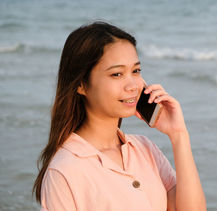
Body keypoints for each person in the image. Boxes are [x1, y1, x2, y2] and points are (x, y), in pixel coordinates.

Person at [32, 21, 206, 211]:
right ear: (81, 85)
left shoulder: (145, 149)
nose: (132, 85)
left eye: (136, 71)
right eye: (117, 74)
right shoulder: (65, 170)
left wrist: (179, 135)